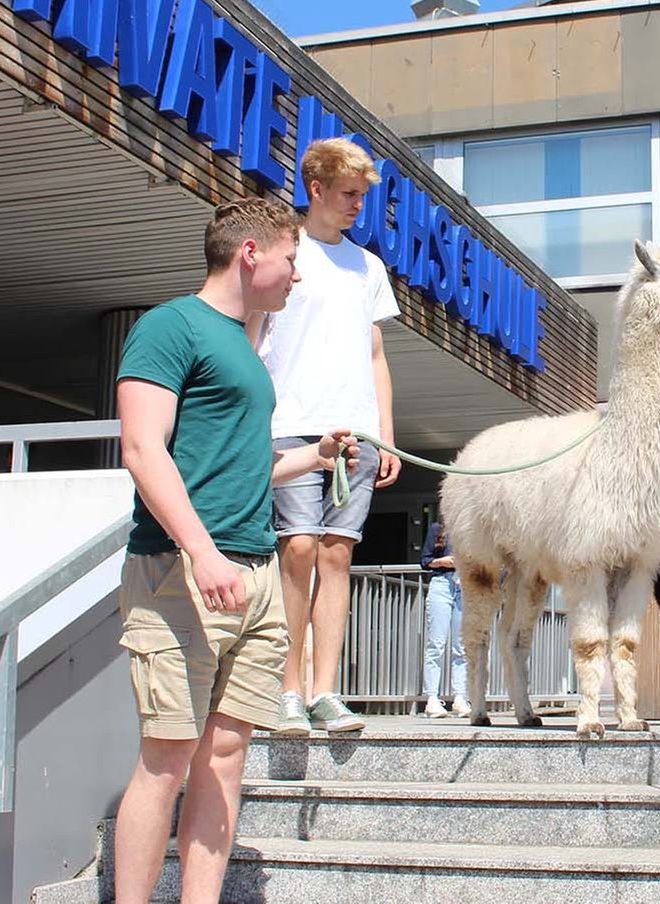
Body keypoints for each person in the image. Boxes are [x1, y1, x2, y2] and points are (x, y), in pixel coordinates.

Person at [112, 197, 359, 904]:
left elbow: (244, 465)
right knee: (168, 756)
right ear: (251, 253)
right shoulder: (170, 327)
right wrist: (202, 552)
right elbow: (141, 447)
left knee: (225, 757)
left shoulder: (247, 349)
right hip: (180, 574)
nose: (297, 278)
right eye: (291, 260)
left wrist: (315, 455)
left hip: (253, 575)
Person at [253, 137, 402, 737]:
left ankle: (324, 691)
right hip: (291, 423)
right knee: (297, 550)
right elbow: (254, 332)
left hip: (356, 430)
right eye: (348, 194)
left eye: (362, 197)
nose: (356, 206)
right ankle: (286, 690)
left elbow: (374, 350)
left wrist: (385, 433)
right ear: (315, 189)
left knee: (337, 554)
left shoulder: (368, 267)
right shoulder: (286, 255)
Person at [418, 521, 470, 718]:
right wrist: (443, 561)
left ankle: (460, 697)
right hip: (441, 582)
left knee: (461, 646)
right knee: (436, 644)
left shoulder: (471, 529)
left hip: (464, 583)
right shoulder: (437, 529)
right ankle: (432, 697)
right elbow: (425, 561)